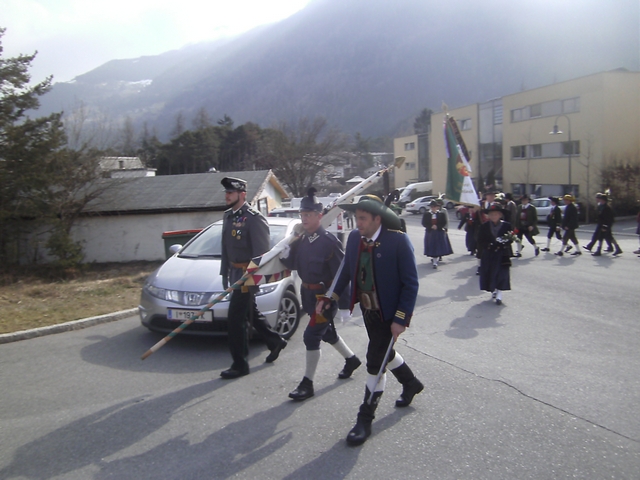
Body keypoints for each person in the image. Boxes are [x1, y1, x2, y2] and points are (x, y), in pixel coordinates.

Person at [316, 195, 422, 446]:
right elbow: (345, 270)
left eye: (362, 218)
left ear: (377, 218)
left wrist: (401, 319)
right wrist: (330, 296)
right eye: (356, 218)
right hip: (368, 310)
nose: (358, 223)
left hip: (388, 314)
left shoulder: (398, 241)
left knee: (375, 362)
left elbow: (411, 284)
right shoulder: (354, 238)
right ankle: (411, 383)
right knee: (384, 351)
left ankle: (364, 419)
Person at [281, 189, 361, 401]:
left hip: (324, 299)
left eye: (308, 214)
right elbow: (290, 264)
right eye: (302, 214)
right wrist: (286, 250)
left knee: (311, 336)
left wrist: (345, 305)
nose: (304, 218)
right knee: (327, 334)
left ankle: (307, 384)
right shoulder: (301, 240)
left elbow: (342, 274)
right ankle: (351, 360)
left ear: (319, 216)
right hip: (307, 295)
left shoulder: (329, 242)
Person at [219, 176, 288, 379]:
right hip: (234, 274)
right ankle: (275, 341)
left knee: (235, 320)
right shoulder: (228, 216)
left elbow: (262, 256)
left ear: (242, 194)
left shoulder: (254, 218)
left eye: (230, 193)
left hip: (247, 277)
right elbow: (226, 249)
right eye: (226, 193)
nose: (227, 196)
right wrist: (225, 274)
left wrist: (251, 278)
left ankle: (240, 364)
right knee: (251, 313)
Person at [477, 203, 514, 305]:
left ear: (500, 215)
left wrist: (502, 245)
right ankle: (493, 289)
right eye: (491, 214)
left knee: (501, 274)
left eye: (496, 214)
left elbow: (510, 239)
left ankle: (499, 293)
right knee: (490, 273)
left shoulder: (506, 225)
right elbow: (480, 240)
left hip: (502, 254)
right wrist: (489, 245)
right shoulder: (484, 226)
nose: (494, 216)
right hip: (489, 254)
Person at [422, 200, 453, 268]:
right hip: (430, 232)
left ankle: (436, 259)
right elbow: (424, 223)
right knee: (432, 246)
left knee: (438, 246)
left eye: (435, 206)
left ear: (437, 207)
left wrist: (437, 226)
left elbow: (444, 222)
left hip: (439, 232)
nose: (433, 208)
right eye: (432, 207)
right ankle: (434, 261)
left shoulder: (441, 214)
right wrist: (431, 226)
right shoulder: (427, 214)